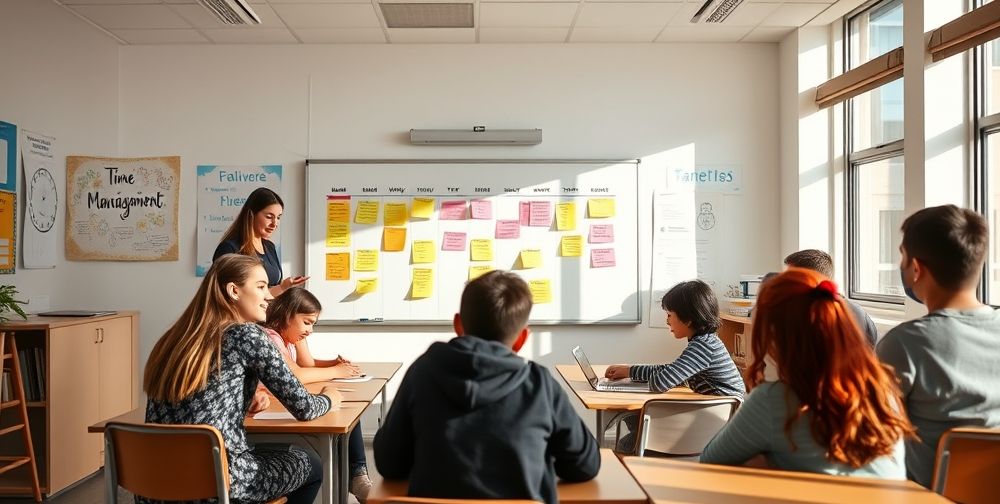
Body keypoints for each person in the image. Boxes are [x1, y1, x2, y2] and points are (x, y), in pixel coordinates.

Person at [373, 270, 600, 504]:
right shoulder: (539, 384)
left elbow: (389, 464)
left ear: (458, 325)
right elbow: (585, 466)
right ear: (522, 339)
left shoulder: (422, 373)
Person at [143, 254, 340, 504]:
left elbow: (193, 401)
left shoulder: (176, 338)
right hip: (217, 484)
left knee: (274, 453)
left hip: (155, 485)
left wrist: (242, 402)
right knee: (309, 463)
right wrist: (329, 398)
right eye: (260, 287)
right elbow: (305, 408)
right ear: (234, 291)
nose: (270, 295)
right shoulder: (247, 335)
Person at [701, 268, 914, 478]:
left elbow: (710, 461)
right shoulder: (881, 387)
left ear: (775, 337)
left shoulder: (775, 399)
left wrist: (768, 464)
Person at [878, 204, 1000, 487]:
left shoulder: (904, 344)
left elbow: (877, 439)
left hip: (926, 495)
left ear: (916, 268)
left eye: (903, 258)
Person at [605, 279, 745, 454]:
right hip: (713, 418)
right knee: (633, 421)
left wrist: (634, 373)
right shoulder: (706, 342)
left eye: (670, 315)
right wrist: (630, 370)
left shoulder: (702, 346)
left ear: (687, 320)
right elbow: (672, 370)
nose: (667, 321)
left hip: (717, 426)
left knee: (628, 441)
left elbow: (661, 383)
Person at [261, 287, 373, 502]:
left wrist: (334, 363)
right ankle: (356, 476)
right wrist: (335, 372)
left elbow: (307, 364)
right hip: (270, 410)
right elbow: (295, 375)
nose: (310, 330)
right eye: (307, 322)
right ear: (287, 315)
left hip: (280, 402)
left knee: (349, 411)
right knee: (337, 411)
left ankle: (358, 475)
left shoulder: (290, 335)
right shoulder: (270, 337)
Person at [213, 187, 307, 296]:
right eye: (269, 217)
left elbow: (265, 296)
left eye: (278, 217)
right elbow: (221, 296)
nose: (275, 223)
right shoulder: (230, 249)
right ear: (251, 215)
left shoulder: (269, 247)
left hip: (267, 312)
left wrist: (283, 286)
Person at [783, 249, 879, 347]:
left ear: (812, 279)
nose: (784, 284)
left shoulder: (804, 318)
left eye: (791, 279)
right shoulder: (860, 314)